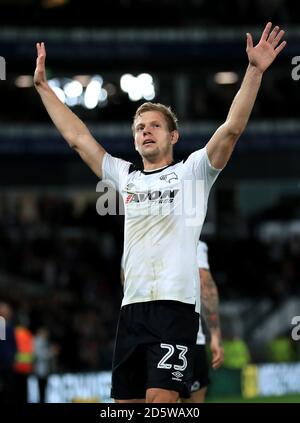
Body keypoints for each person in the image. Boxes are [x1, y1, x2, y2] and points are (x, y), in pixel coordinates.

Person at [33, 23, 286, 403]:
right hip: (131, 311)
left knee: (162, 407)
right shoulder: (124, 176)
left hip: (174, 310)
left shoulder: (193, 173)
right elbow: (78, 138)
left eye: (155, 126)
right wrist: (43, 88)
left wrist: (254, 71)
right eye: (139, 127)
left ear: (173, 137)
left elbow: (231, 129)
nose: (145, 131)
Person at [181, 240, 224, 403]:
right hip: (187, 340)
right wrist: (215, 336)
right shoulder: (193, 242)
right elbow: (204, 285)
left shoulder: (135, 238)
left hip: (142, 337)